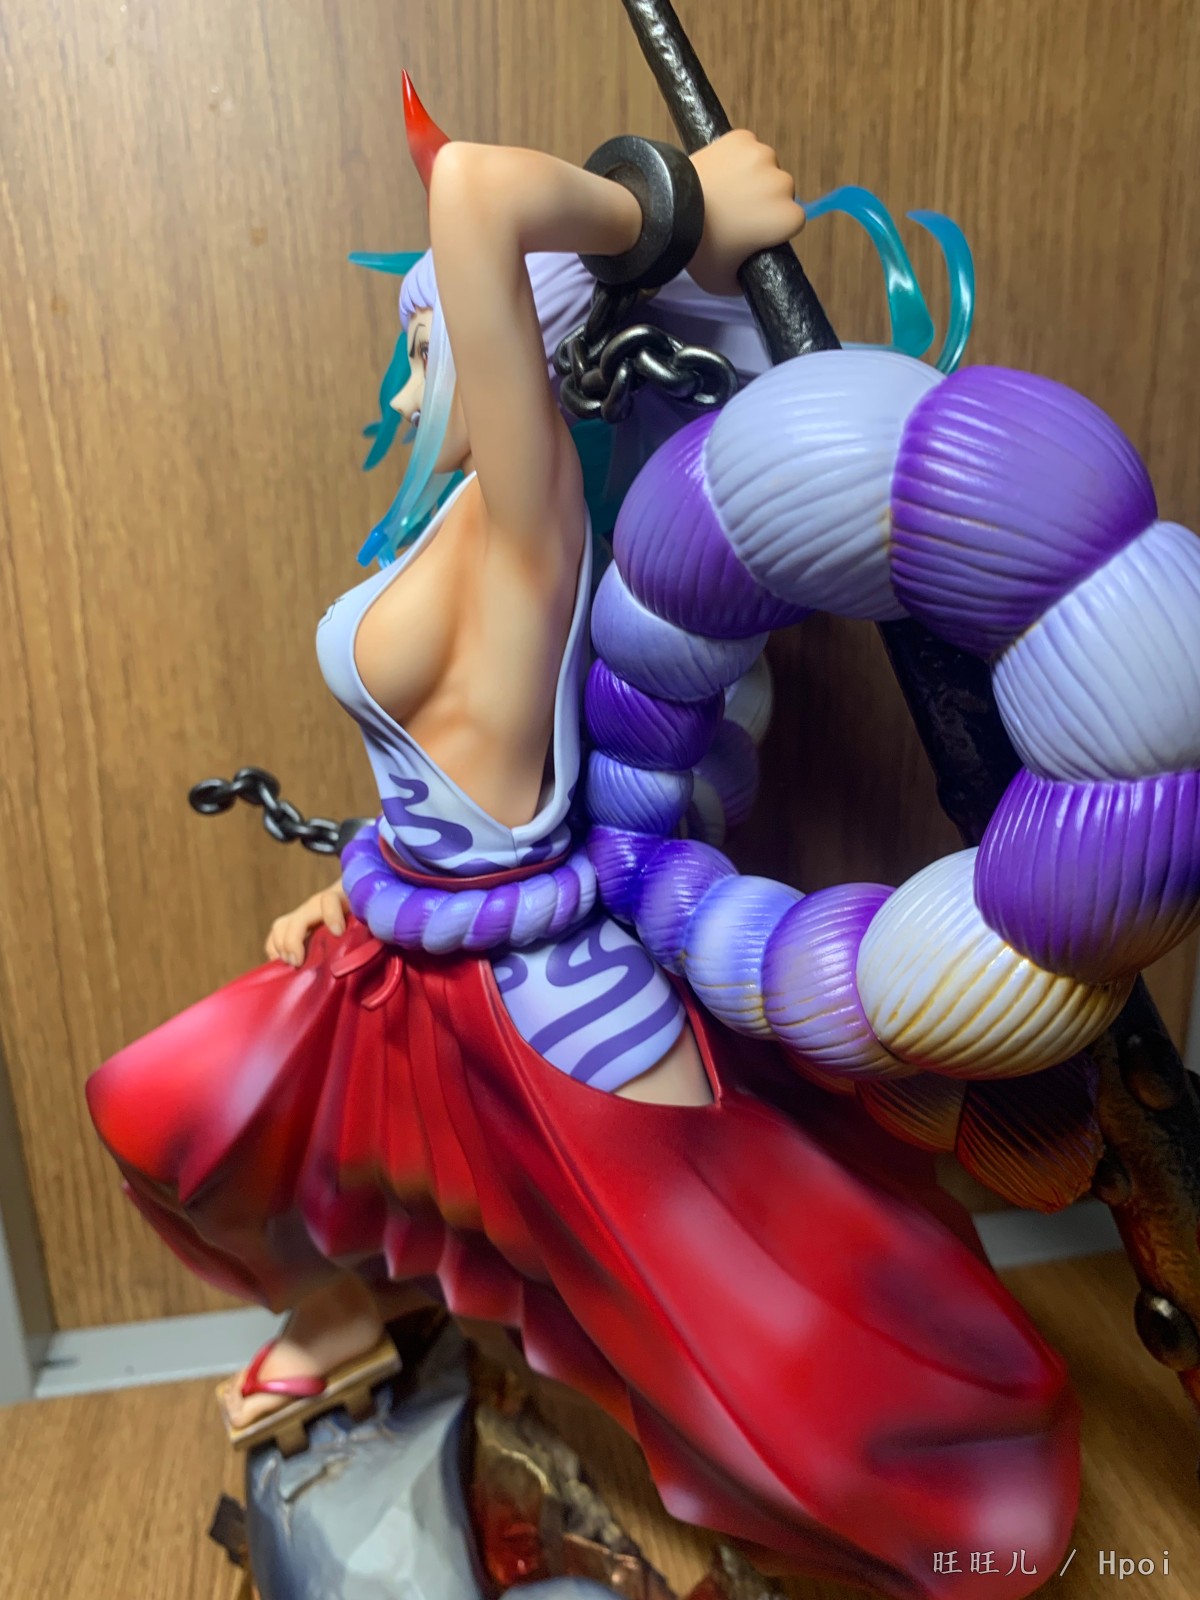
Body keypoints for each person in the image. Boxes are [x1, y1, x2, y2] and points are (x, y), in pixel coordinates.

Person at [88, 88, 1077, 1599]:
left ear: (513, 352)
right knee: (163, 1116)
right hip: (406, 961)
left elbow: (478, 190)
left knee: (736, 1321)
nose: (406, 382)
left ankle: (960, 1508)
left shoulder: (526, 525)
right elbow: (434, 773)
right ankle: (345, 1319)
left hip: (543, 997)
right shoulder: (444, 528)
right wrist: (352, 883)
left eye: (431, 345)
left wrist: (677, 211)